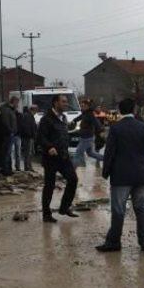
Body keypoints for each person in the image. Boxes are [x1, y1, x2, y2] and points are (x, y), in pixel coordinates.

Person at [96, 98, 144, 252]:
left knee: (119, 210)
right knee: (141, 209)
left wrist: (105, 172)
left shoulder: (116, 129)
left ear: (120, 111)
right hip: (141, 175)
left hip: (121, 176)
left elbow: (109, 153)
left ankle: (114, 243)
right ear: (134, 109)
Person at [37, 94, 79, 223]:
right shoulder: (46, 119)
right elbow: (40, 137)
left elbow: (63, 135)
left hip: (63, 156)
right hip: (51, 158)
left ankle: (64, 207)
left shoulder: (64, 118)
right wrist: (49, 147)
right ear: (55, 103)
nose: (66, 104)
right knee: (49, 185)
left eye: (66, 101)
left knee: (73, 179)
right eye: (63, 101)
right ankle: (46, 214)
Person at [73, 99, 104, 167]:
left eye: (83, 106)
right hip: (85, 137)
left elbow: (97, 123)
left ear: (87, 106)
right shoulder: (85, 113)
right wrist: (73, 121)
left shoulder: (90, 114)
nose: (81, 107)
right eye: (81, 106)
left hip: (87, 138)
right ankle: (106, 159)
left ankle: (70, 172)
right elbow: (79, 117)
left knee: (78, 153)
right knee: (91, 153)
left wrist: (101, 131)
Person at [0, 96, 20, 175]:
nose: (18, 104)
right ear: (14, 102)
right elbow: (6, 122)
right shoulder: (6, 110)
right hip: (8, 134)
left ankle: (8, 169)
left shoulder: (11, 110)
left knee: (8, 153)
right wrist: (11, 131)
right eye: (17, 103)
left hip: (11, 134)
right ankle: (5, 170)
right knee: (7, 153)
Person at [19, 105, 38, 171]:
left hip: (29, 137)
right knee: (28, 153)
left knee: (30, 152)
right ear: (34, 110)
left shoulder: (29, 116)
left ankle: (29, 166)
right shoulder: (28, 116)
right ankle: (27, 167)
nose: (36, 112)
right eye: (36, 110)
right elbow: (27, 127)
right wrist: (31, 134)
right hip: (28, 137)